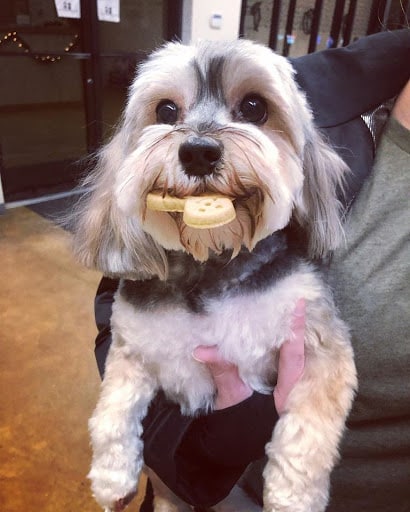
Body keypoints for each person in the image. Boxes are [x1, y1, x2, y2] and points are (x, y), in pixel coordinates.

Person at [92, 29, 410, 511]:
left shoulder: (301, 134)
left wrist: (295, 483)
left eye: (253, 111)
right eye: (168, 113)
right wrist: (193, 445)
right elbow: (118, 333)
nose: (198, 142)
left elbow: (329, 359)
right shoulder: (326, 85)